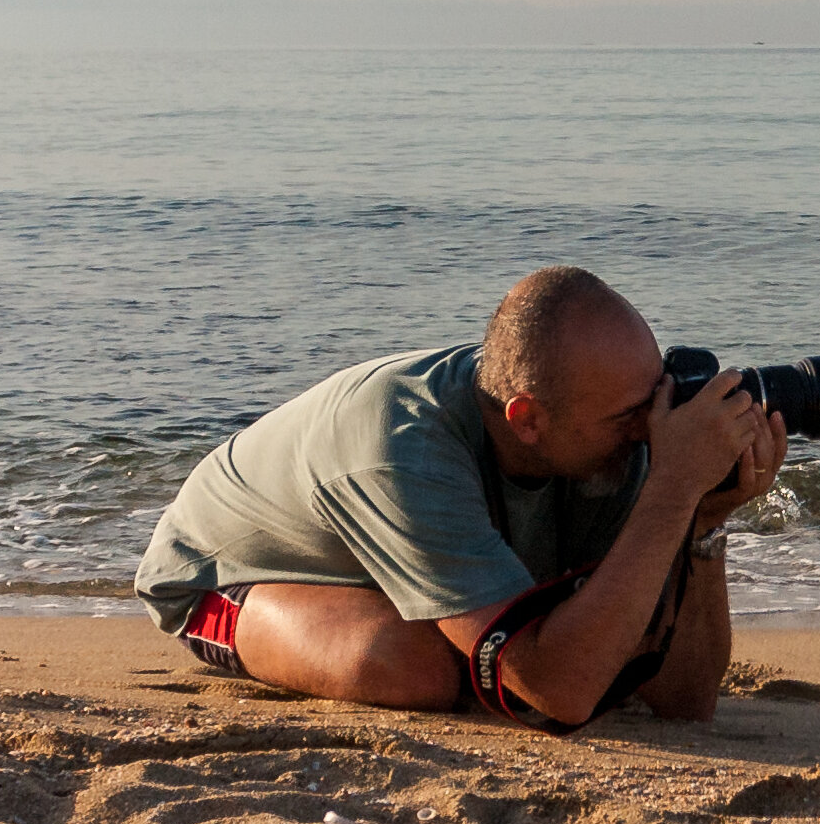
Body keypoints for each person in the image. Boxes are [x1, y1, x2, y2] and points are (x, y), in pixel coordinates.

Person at [131, 266, 786, 731]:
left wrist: (703, 514)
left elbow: (683, 698)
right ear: (527, 417)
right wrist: (672, 489)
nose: (651, 425)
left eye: (655, 397)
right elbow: (558, 691)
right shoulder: (406, 448)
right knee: (418, 668)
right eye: (630, 414)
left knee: (517, 645)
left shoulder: (608, 438)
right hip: (218, 574)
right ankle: (224, 616)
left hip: (392, 557)